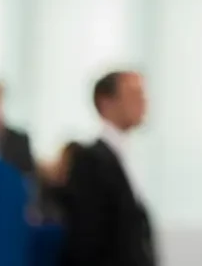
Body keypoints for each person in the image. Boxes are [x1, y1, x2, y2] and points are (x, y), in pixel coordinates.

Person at [61, 71, 155, 266]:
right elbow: (87, 239)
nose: (143, 101)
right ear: (106, 103)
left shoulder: (130, 157)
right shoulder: (90, 161)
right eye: (133, 94)